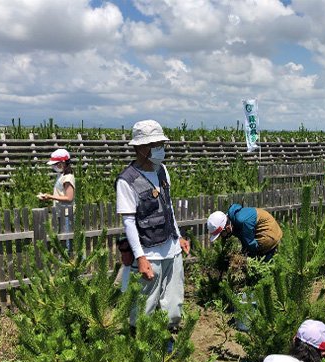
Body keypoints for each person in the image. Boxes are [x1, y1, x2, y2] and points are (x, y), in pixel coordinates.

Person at [115, 120, 190, 334]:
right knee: (144, 304)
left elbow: (168, 206)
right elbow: (129, 222)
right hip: (149, 252)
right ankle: (139, 341)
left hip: (172, 248)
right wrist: (140, 257)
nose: (160, 149)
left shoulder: (162, 171)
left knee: (174, 302)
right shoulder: (126, 181)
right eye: (154, 145)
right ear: (139, 148)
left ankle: (167, 336)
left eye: (161, 144)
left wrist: (178, 236)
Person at [207, 204, 282, 261]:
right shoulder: (233, 221)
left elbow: (251, 244)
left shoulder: (242, 221)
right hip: (261, 231)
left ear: (226, 228)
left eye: (221, 234)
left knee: (262, 264)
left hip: (270, 233)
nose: (221, 237)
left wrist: (248, 260)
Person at [38, 149, 75, 251]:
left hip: (67, 214)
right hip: (61, 213)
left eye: (56, 164)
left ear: (63, 163)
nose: (53, 166)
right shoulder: (61, 175)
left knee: (68, 244)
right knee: (63, 242)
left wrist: (50, 196)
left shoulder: (68, 177)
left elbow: (69, 197)